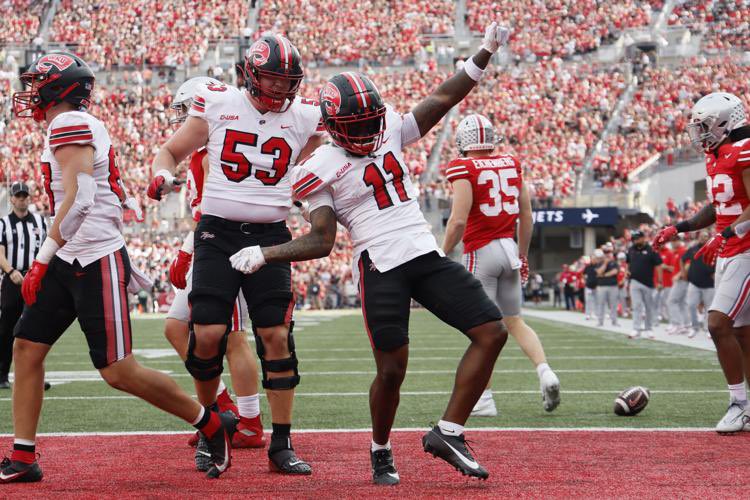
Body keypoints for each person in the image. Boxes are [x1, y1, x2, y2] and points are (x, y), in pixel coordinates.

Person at [228, 22, 511, 485]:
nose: (366, 130)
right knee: (392, 370)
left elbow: (442, 98)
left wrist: (483, 52)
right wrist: (267, 253)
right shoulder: (318, 168)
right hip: (380, 266)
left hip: (422, 251)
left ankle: (449, 431)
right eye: (354, 124)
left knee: (492, 331)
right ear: (334, 127)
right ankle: (381, 449)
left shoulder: (392, 129)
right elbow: (322, 241)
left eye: (369, 119)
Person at [2, 51, 234, 484]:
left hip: (93, 258)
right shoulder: (71, 124)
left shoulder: (68, 123)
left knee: (117, 371)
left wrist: (40, 260)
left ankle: (211, 422)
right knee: (26, 349)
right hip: (70, 254)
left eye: (39, 83)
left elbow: (83, 199)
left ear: (60, 88)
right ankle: (22, 454)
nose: (31, 91)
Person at [147, 35, 325, 474]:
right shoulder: (219, 103)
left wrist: (303, 179)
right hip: (217, 234)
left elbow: (325, 151)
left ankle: (281, 442)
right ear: (250, 74)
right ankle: (212, 431)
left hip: (271, 236)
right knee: (206, 335)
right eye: (272, 79)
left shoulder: (304, 117)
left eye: (288, 81)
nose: (281, 89)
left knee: (277, 337)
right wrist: (159, 172)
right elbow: (171, 150)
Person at [163, 77, 265, 466]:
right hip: (206, 247)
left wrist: (185, 252)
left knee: (234, 338)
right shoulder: (201, 153)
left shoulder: (213, 152)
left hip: (222, 250)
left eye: (184, 111)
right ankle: (220, 410)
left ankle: (251, 423)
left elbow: (212, 213)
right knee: (175, 329)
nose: (180, 120)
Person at [442, 112, 560, 417]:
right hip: (509, 248)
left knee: (482, 331)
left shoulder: (462, 166)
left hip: (480, 251)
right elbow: (527, 217)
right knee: (515, 321)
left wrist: (442, 253)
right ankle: (545, 371)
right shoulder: (511, 163)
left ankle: (484, 399)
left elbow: (457, 221)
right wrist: (522, 255)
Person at [653, 91, 750, 433]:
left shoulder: (744, 150)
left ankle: (739, 403)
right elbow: (718, 207)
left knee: (717, 323)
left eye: (706, 126)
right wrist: (678, 228)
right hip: (730, 249)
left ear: (727, 122)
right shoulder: (716, 156)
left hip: (745, 250)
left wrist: (725, 236)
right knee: (741, 332)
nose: (700, 133)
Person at [0, 182, 50, 390]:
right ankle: (2, 375)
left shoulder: (40, 221)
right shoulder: (3, 223)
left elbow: (49, 248)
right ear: (11, 199)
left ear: (29, 198)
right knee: (6, 329)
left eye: (24, 196)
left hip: (35, 279)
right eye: (18, 196)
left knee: (37, 329)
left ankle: (36, 376)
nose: (22, 199)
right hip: (12, 280)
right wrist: (11, 272)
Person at [626, 230, 663, 339]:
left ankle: (649, 329)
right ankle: (636, 329)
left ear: (643, 238)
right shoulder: (631, 249)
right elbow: (628, 263)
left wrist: (660, 281)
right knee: (636, 306)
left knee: (648, 307)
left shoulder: (652, 249)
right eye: (634, 239)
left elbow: (659, 265)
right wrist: (627, 271)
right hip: (634, 281)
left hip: (648, 283)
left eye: (637, 238)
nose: (635, 240)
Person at [682, 231, 716, 338]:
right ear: (698, 238)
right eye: (701, 236)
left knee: (709, 308)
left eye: (705, 236)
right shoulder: (693, 249)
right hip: (694, 283)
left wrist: (716, 273)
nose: (703, 238)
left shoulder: (713, 249)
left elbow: (720, 261)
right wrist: (683, 273)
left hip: (709, 284)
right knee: (691, 305)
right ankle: (694, 327)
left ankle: (707, 329)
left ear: (708, 238)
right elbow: (682, 259)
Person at [666, 238, 690, 335]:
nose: (673, 242)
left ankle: (678, 324)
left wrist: (679, 274)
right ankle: (685, 325)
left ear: (679, 241)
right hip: (679, 281)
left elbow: (688, 264)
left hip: (681, 280)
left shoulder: (683, 250)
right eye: (672, 241)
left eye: (675, 240)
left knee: (671, 301)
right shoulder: (675, 252)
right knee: (681, 303)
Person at [596, 245, 620, 327]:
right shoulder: (599, 263)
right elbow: (599, 272)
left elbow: (615, 271)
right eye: (605, 253)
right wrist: (605, 263)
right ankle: (600, 321)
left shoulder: (614, 262)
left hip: (613, 285)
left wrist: (604, 275)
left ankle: (614, 321)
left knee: (613, 304)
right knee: (601, 304)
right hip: (602, 286)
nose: (607, 255)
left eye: (608, 253)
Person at [583, 251, 602, 320]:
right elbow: (584, 275)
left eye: (594, 259)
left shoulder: (598, 266)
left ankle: (595, 314)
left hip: (597, 286)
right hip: (588, 286)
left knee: (596, 301)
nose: (593, 260)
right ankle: (588, 314)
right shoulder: (587, 267)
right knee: (588, 301)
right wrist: (585, 281)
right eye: (592, 259)